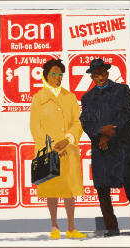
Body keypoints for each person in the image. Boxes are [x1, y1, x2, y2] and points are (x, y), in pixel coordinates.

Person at [79, 58, 130, 238]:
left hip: (123, 147)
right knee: (102, 189)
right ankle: (111, 227)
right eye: (96, 74)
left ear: (107, 73)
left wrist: (109, 133)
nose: (100, 77)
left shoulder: (122, 90)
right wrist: (100, 131)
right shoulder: (87, 98)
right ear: (91, 77)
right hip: (102, 150)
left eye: (102, 73)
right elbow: (85, 122)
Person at [29, 59, 86, 239]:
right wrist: (50, 147)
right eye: (54, 74)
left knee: (69, 191)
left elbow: (78, 122)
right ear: (46, 75)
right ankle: (54, 226)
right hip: (49, 152)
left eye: (60, 74)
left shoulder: (70, 97)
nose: (57, 77)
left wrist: (68, 139)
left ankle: (71, 227)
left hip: (69, 150)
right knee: (51, 189)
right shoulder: (38, 98)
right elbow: (35, 126)